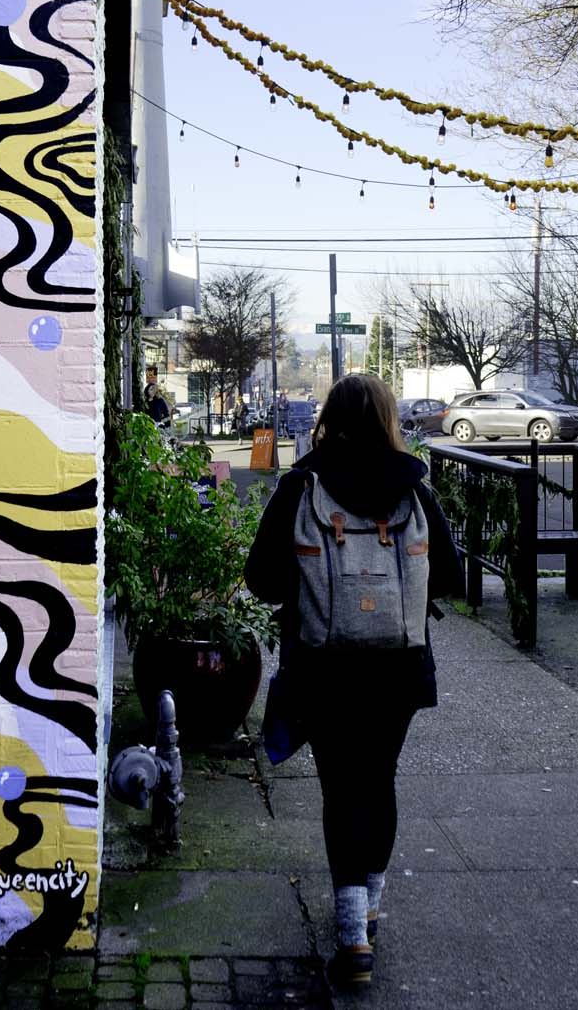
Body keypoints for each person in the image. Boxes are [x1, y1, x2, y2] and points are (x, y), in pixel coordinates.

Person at [245, 373, 464, 991]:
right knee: (380, 782)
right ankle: (369, 912)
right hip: (398, 669)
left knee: (342, 790)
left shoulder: (301, 486)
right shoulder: (414, 487)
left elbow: (260, 578)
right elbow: (448, 574)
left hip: (326, 669)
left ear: (328, 420)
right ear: (388, 419)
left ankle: (352, 940)